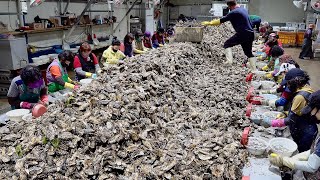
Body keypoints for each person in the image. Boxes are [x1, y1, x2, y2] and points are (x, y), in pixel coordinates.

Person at [262, 69, 317, 153]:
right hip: (305, 127)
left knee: (300, 153)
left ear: (295, 82)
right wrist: (285, 113)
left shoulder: (300, 97)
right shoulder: (306, 88)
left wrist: (271, 123)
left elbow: (291, 119)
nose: (287, 85)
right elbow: (300, 112)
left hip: (305, 131)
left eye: (288, 83)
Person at [269, 90, 320, 179]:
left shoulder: (300, 97)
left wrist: (284, 161)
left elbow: (312, 166)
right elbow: (315, 151)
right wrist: (294, 159)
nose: (311, 113)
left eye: (313, 109)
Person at [201, 0, 257, 71]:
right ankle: (254, 70)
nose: (229, 9)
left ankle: (229, 62)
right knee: (248, 52)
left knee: (227, 44)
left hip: (243, 33)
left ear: (230, 6)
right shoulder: (243, 9)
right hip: (251, 33)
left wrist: (209, 23)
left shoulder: (233, 12)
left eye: (229, 8)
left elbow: (221, 20)